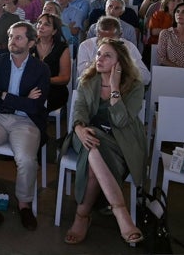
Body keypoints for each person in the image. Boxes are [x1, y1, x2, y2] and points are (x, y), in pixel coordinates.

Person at [61, 39, 145, 245]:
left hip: (120, 142)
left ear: (120, 62)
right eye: (98, 54)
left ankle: (82, 216)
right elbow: (79, 109)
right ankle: (121, 213)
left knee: (92, 163)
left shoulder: (135, 86)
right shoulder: (87, 80)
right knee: (93, 141)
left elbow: (121, 121)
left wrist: (115, 87)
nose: (99, 58)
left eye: (107, 55)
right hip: (85, 135)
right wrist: (79, 128)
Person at [0, 22, 50, 235]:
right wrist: (17, 99)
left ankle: (24, 205)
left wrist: (4, 96)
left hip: (27, 121)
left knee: (25, 158)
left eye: (18, 38)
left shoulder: (41, 69)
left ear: (31, 43)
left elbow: (35, 106)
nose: (12, 41)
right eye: (11, 36)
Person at [31, 13, 71, 112]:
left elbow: (65, 78)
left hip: (53, 89)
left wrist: (45, 80)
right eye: (39, 23)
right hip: (30, 86)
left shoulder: (61, 48)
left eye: (47, 25)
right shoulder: (30, 44)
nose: (41, 26)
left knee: (34, 100)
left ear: (54, 31)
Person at [156, 2, 184, 69]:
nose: (179, 14)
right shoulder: (166, 34)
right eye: (177, 11)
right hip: (170, 74)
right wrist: (180, 71)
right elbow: (161, 59)